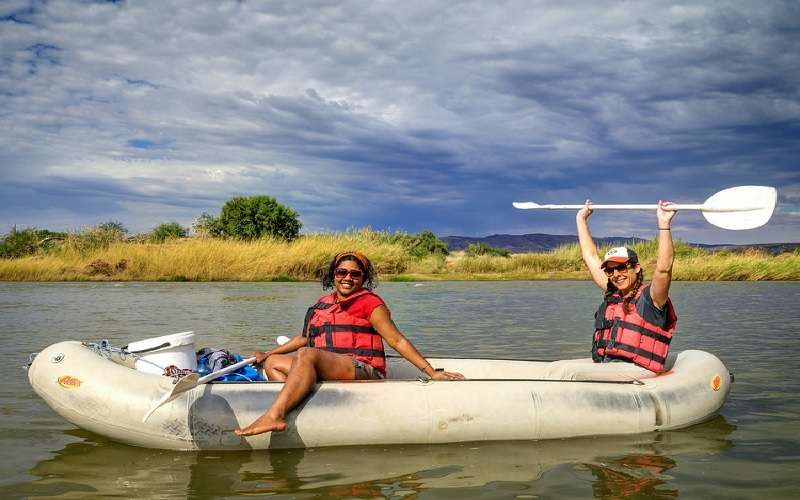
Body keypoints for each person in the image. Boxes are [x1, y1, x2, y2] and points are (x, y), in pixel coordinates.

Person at [235, 251, 464, 436]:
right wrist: (267, 353)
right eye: (342, 272)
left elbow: (396, 340)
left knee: (306, 355)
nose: (347, 277)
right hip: (331, 366)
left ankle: (274, 415)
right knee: (274, 362)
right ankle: (293, 406)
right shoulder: (322, 304)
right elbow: (303, 338)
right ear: (333, 275)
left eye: (355, 274)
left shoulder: (370, 304)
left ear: (363, 278)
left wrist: (431, 372)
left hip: (364, 369)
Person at [545, 200, 678, 381]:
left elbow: (664, 268)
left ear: (636, 268)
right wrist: (581, 219)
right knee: (556, 367)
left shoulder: (652, 298)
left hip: (638, 370)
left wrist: (664, 224)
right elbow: (590, 257)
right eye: (610, 270)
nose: (616, 274)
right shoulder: (613, 292)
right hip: (608, 366)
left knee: (568, 372)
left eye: (622, 268)